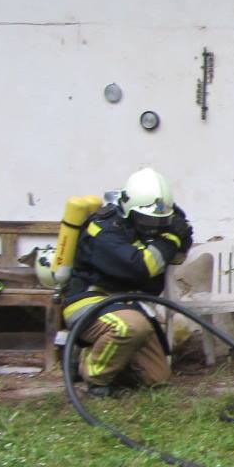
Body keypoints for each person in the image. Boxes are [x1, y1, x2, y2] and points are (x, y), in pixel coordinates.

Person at [61, 167, 193, 395]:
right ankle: (96, 377)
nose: (153, 226)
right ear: (127, 211)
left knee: (157, 378)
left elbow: (176, 258)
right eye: (146, 219)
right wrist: (171, 238)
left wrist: (182, 234)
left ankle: (101, 357)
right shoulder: (103, 230)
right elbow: (142, 267)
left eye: (159, 220)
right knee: (130, 327)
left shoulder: (160, 225)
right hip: (89, 301)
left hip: (128, 304)